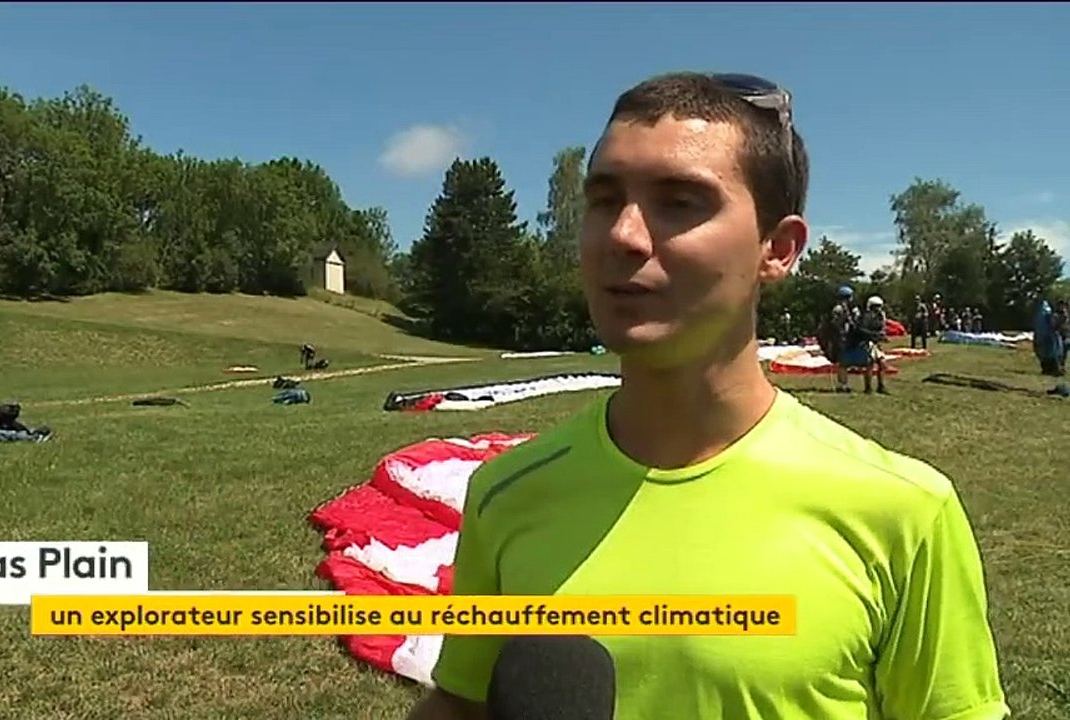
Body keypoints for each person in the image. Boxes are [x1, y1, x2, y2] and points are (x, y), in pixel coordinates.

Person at [407, 72, 1007, 720]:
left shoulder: (905, 514)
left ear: (778, 250)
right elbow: (460, 705)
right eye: (605, 201)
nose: (624, 236)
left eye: (681, 202)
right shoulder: (507, 494)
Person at [846, 295, 890, 395]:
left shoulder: (879, 316)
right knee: (869, 364)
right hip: (867, 342)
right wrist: (874, 335)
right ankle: (868, 388)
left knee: (882, 363)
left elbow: (880, 328)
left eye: (879, 306)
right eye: (876, 306)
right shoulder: (866, 316)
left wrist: (881, 336)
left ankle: (881, 386)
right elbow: (861, 330)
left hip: (875, 342)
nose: (878, 308)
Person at [819, 285, 857, 393]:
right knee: (842, 362)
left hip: (842, 337)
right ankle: (842, 385)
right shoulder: (839, 309)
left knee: (844, 362)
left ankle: (844, 383)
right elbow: (835, 324)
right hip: (839, 338)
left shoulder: (845, 308)